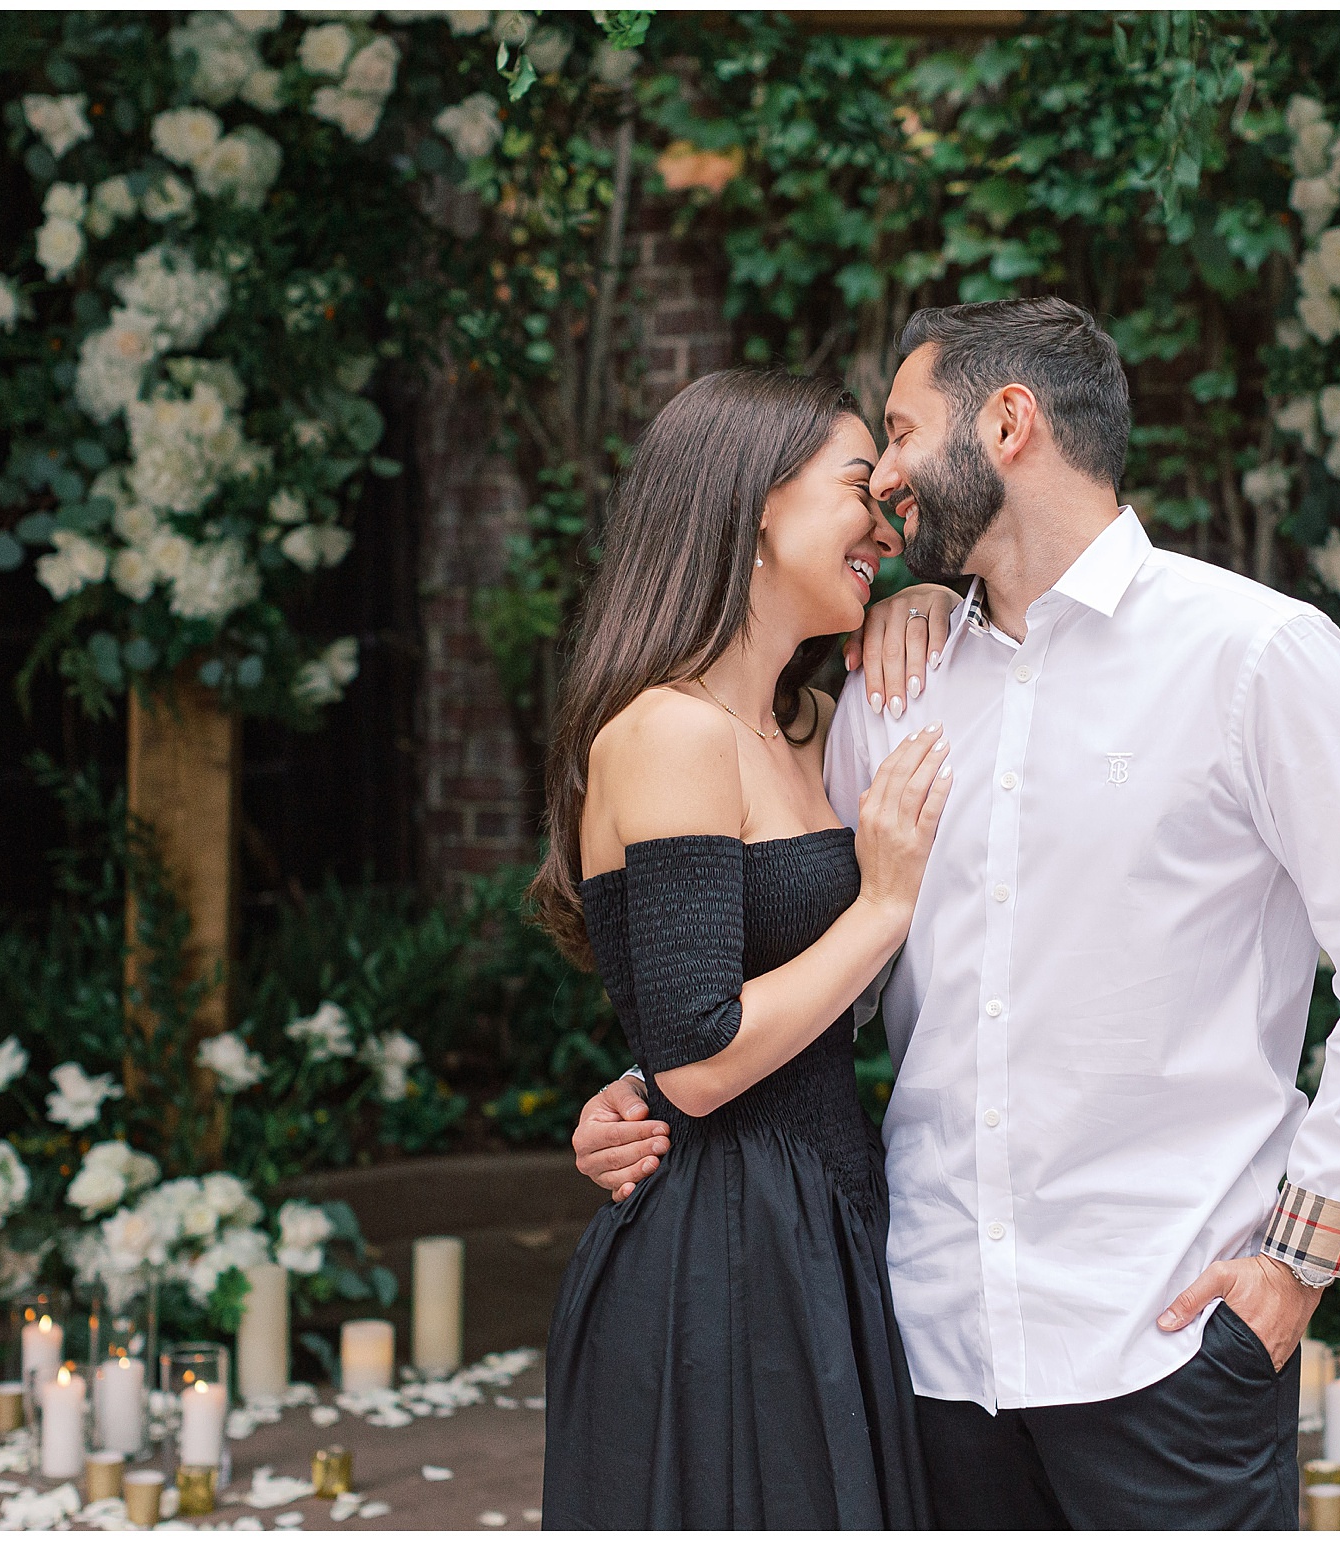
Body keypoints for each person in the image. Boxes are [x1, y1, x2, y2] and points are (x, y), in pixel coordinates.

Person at [570, 297, 1340, 1528]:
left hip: (1164, 1334)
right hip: (923, 1341)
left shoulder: (1255, 657)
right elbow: (775, 933)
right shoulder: (890, 687)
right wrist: (654, 1074)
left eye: (898, 429)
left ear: (1005, 423)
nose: (886, 478)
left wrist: (1297, 1262)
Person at [529, 368, 953, 1528]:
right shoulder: (667, 731)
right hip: (720, 1252)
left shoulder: (803, 721)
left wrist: (913, 602)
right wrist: (882, 904)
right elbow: (699, 1055)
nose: (882, 521)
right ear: (756, 504)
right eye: (857, 489)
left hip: (827, 1210)